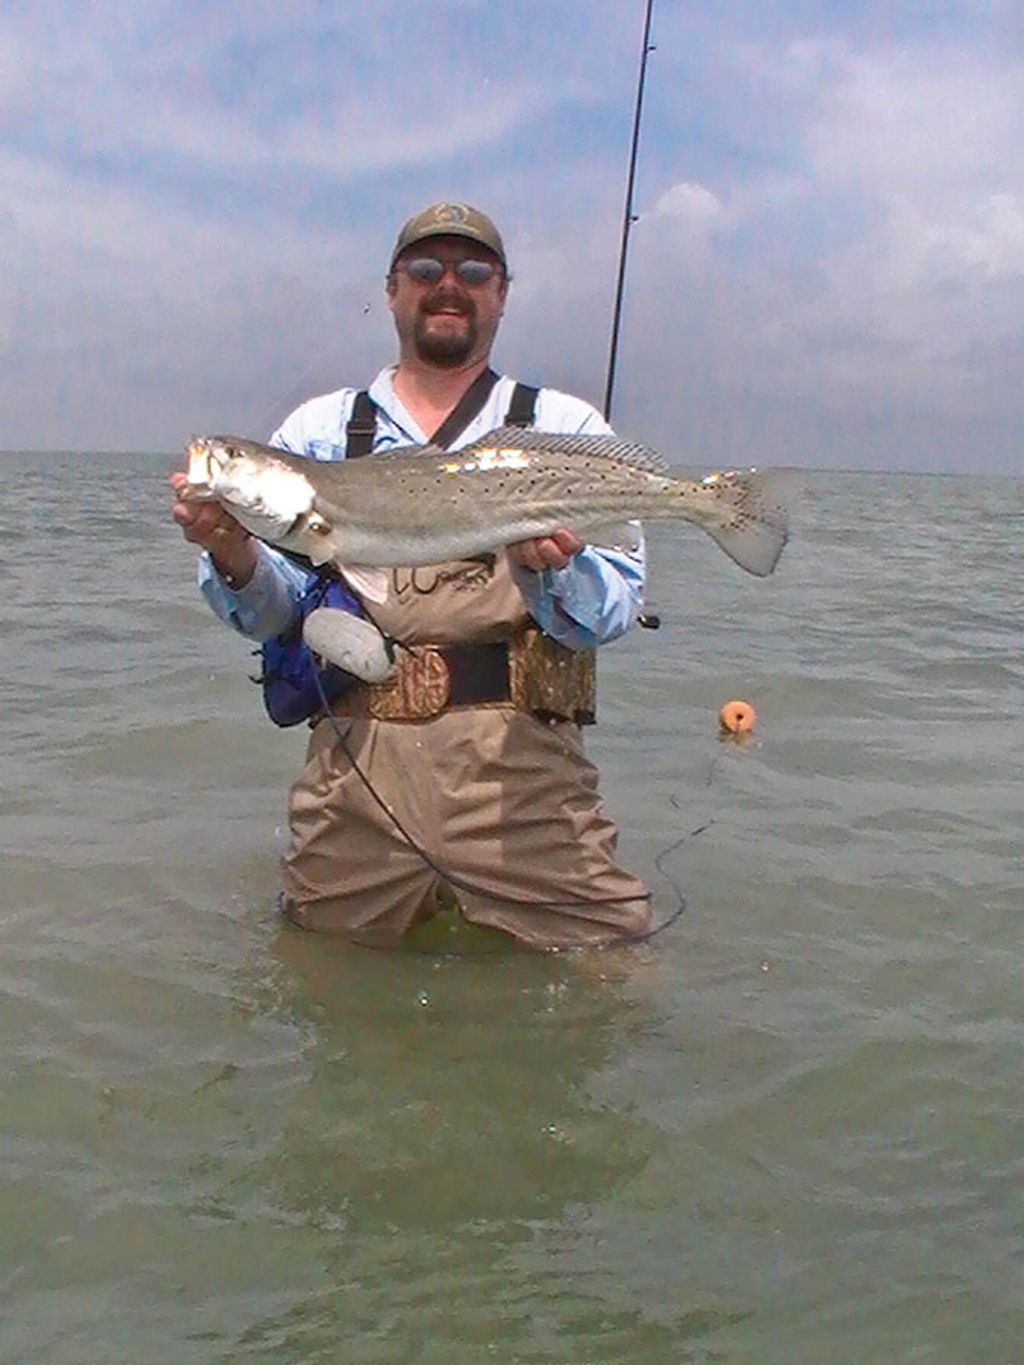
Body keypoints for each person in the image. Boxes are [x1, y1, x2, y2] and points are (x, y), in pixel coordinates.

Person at [171, 201, 651, 949]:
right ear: (392, 289)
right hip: (358, 772)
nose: (447, 284)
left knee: (613, 972)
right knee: (317, 973)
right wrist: (234, 557)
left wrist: (552, 573)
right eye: (425, 269)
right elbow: (280, 616)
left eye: (474, 270)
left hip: (522, 776)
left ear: (502, 292)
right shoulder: (318, 433)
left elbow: (614, 608)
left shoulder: (563, 426)